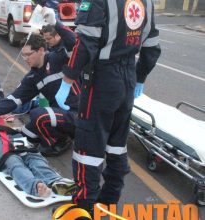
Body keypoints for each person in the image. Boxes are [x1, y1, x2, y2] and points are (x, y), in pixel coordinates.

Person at [53, 0, 161, 214]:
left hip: (102, 80)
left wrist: (67, 80)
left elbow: (84, 44)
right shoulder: (145, 2)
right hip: (128, 78)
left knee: (88, 147)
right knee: (117, 143)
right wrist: (139, 77)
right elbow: (152, 46)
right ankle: (110, 200)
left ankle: (85, 207)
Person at [0, 34, 81, 157]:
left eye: (28, 54)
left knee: (38, 115)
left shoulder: (58, 58)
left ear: (41, 50)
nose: (25, 59)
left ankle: (61, 141)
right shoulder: (32, 77)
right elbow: (14, 99)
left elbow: (74, 43)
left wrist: (55, 23)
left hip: (78, 114)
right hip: (58, 114)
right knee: (26, 133)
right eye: (23, 55)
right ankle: (55, 135)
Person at [0, 110, 76, 198]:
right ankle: (35, 186)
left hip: (13, 136)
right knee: (12, 161)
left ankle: (54, 181)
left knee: (33, 155)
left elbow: (10, 117)